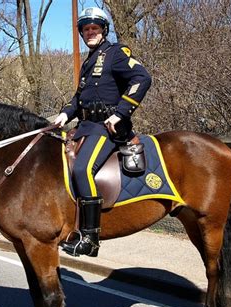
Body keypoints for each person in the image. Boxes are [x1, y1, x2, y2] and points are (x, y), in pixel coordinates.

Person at [54, 7, 152, 258]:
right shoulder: (88, 62)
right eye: (86, 29)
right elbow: (79, 97)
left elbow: (142, 78)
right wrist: (65, 113)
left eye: (94, 28)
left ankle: (90, 238)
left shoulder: (116, 53)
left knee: (82, 169)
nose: (90, 33)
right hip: (85, 126)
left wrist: (121, 113)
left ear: (103, 30)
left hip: (107, 129)